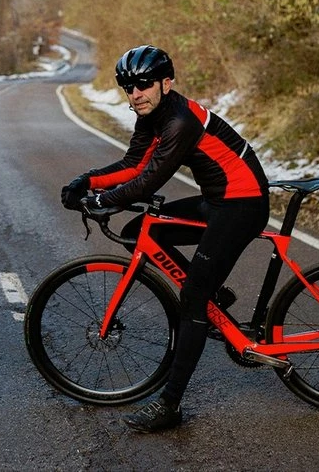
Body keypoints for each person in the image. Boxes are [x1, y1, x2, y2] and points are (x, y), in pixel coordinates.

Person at [60, 45, 270, 432]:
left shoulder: (179, 122)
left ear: (166, 84)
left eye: (143, 84)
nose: (135, 93)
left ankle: (170, 405)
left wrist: (102, 200)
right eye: (128, 87)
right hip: (217, 200)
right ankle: (212, 295)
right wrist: (86, 181)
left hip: (242, 204)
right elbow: (133, 165)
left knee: (191, 299)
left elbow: (147, 183)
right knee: (139, 230)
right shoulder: (152, 115)